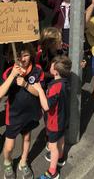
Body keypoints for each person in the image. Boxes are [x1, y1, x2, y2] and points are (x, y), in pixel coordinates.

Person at [0, 43, 43, 179]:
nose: (23, 59)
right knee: (9, 147)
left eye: (26, 55)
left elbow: (38, 93)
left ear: (31, 55)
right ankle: (7, 162)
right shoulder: (8, 72)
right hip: (14, 116)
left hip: (30, 113)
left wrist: (25, 85)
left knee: (27, 138)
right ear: (13, 57)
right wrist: (12, 76)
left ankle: (23, 162)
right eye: (19, 56)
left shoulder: (37, 70)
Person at [33, 56, 71, 179]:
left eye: (52, 65)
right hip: (63, 119)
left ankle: (52, 172)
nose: (49, 66)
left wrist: (39, 90)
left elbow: (46, 106)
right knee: (61, 139)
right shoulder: (65, 82)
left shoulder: (55, 87)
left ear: (55, 72)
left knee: (53, 147)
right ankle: (60, 158)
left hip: (54, 122)